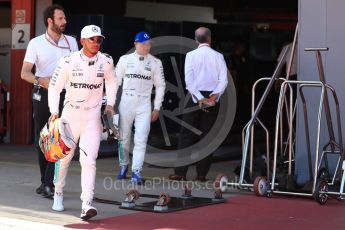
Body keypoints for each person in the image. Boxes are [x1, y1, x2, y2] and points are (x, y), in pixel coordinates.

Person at [48, 25, 117, 220]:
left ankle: (87, 204)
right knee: (64, 158)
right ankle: (58, 192)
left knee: (89, 160)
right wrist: (54, 111)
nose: (96, 43)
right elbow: (54, 88)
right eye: (92, 39)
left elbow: (112, 82)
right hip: (70, 116)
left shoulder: (106, 61)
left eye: (99, 40)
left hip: (92, 118)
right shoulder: (68, 61)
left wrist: (110, 104)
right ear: (82, 41)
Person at [20, 4, 78, 198]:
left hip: (65, 95)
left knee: (58, 136)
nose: (65, 22)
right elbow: (24, 73)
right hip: (43, 93)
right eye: (61, 19)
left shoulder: (71, 42)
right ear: (50, 21)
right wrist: (39, 79)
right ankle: (44, 182)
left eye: (65, 18)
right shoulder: (36, 43)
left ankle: (48, 184)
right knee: (43, 138)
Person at [169, 27, 228, 182]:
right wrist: (213, 98)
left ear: (196, 40)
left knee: (186, 135)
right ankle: (201, 175)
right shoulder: (219, 56)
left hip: (194, 97)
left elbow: (189, 81)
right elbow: (224, 80)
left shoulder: (190, 55)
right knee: (208, 137)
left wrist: (200, 99)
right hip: (212, 98)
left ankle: (180, 173)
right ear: (210, 39)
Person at [115, 31, 166, 184]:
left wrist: (157, 107)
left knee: (141, 139)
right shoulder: (125, 60)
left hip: (144, 104)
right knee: (123, 138)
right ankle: (123, 166)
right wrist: (110, 104)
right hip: (126, 102)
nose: (146, 46)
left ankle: (136, 171)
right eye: (142, 44)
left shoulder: (156, 63)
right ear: (135, 44)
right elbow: (115, 82)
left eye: (148, 43)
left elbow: (161, 85)